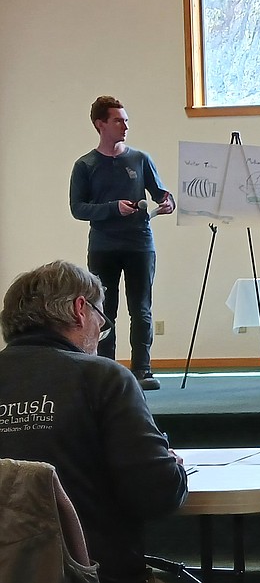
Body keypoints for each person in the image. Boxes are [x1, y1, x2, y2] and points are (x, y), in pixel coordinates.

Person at [0, 261, 188, 583]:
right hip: (89, 573)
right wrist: (172, 465)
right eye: (102, 322)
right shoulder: (103, 378)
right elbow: (157, 494)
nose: (99, 336)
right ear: (79, 309)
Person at [69, 96, 176, 391]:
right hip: (104, 246)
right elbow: (78, 209)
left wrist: (167, 202)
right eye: (118, 120)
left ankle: (142, 369)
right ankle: (107, 369)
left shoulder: (140, 159)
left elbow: (162, 194)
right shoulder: (85, 165)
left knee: (141, 308)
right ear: (100, 124)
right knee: (106, 310)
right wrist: (112, 208)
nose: (125, 126)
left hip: (140, 244)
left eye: (126, 120)